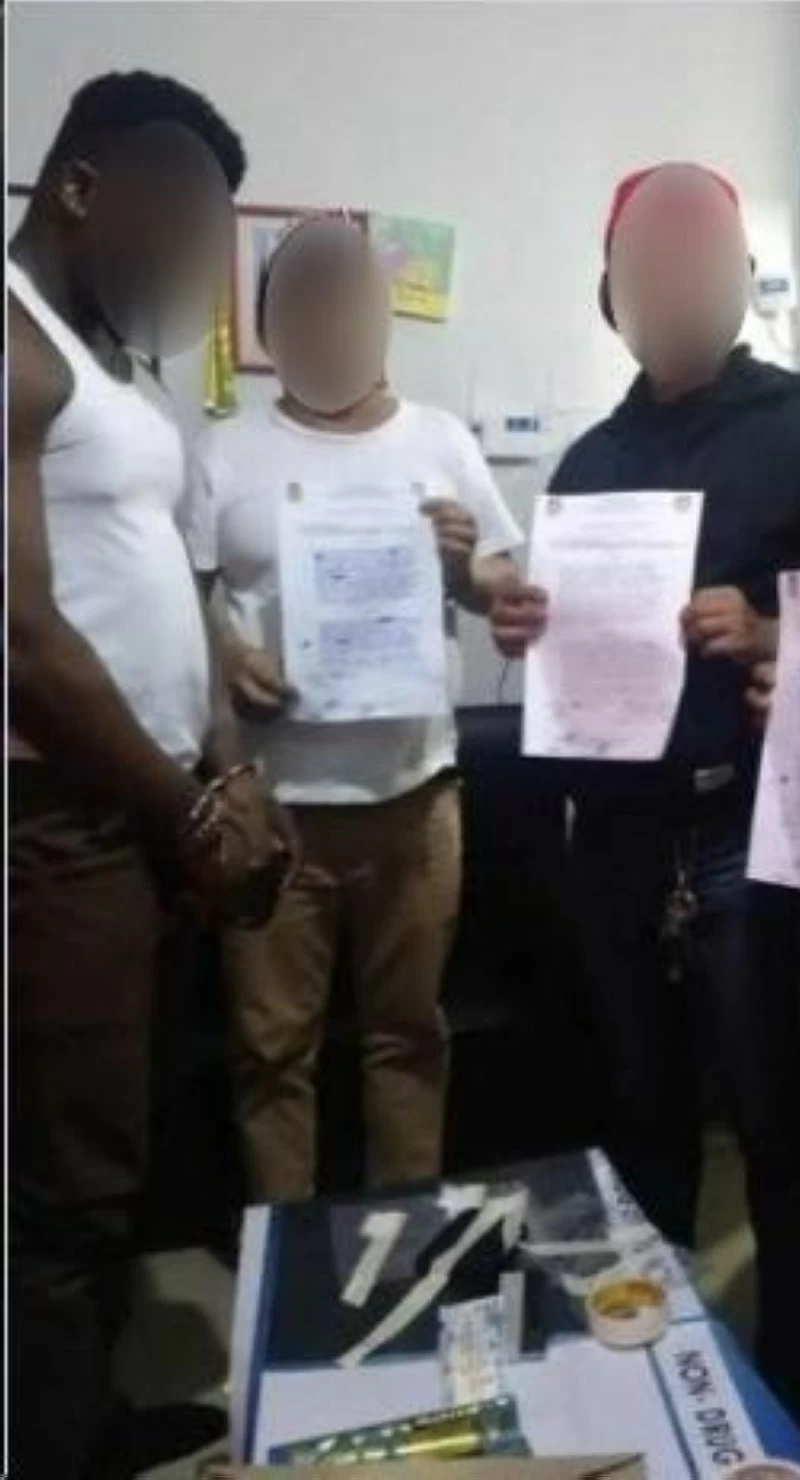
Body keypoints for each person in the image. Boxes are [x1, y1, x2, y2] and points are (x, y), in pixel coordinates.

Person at [490, 161, 800, 1436]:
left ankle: (785, 1398)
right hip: (617, 839)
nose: (678, 284)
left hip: (753, 825)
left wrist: (777, 628)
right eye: (651, 267)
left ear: (743, 285)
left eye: (705, 261)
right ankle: (655, 1381)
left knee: (774, 1111)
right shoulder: (590, 459)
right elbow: (568, 646)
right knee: (639, 1113)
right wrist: (529, 624)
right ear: (611, 296)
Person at [8, 72, 292, 1480]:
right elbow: (21, 637)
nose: (194, 262)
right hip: (62, 825)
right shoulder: (12, 342)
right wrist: (181, 808)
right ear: (79, 187)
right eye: (179, 218)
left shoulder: (112, 365)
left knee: (117, 1152)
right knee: (65, 1190)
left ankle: (98, 1417)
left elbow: (178, 598)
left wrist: (227, 773)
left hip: (149, 818)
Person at [183, 216, 523, 1203]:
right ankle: (285, 1269)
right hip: (274, 808)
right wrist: (231, 652)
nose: (330, 318)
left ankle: (402, 1252)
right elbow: (184, 598)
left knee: (408, 1036)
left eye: (350, 297)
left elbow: (498, 590)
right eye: (304, 299)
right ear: (270, 327)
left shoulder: (440, 441)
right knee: (271, 1052)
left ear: (383, 318)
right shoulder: (225, 449)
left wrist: (469, 565)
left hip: (413, 798)